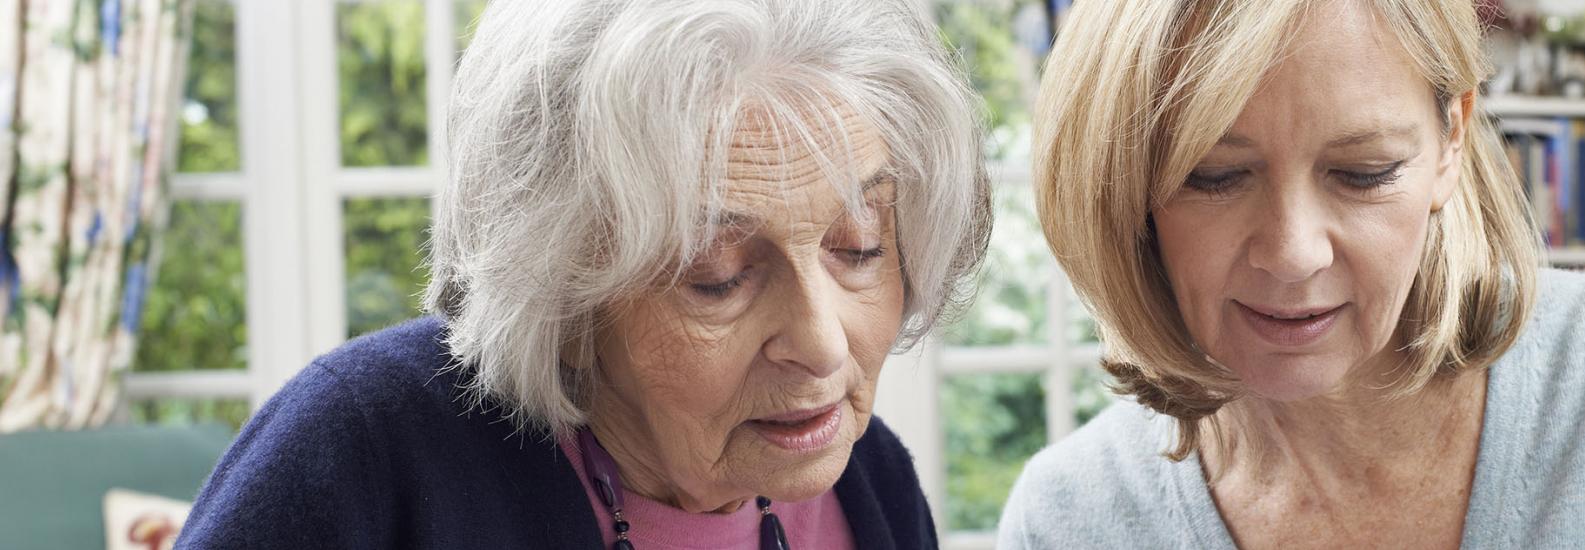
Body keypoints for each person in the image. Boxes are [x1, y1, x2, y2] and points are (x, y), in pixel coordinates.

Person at [999, 0, 1585, 548]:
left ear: (1453, 139)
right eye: (1216, 177)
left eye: (1364, 172)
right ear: (1132, 186)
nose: (1294, 251)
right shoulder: (1071, 517)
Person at [178, 1, 988, 548]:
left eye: (859, 248)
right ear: (564, 293)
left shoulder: (865, 476)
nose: (820, 344)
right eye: (719, 276)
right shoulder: (364, 447)